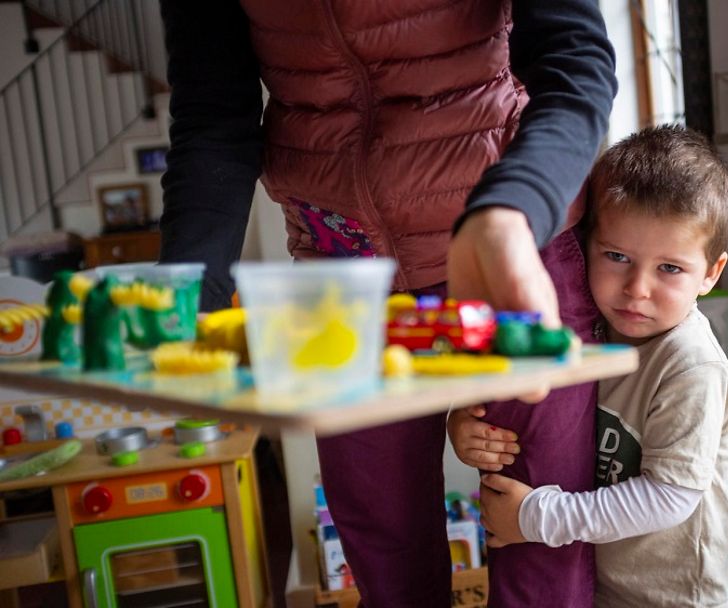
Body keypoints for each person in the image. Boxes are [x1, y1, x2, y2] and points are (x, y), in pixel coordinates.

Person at [158, 1, 617, 606]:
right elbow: (214, 115)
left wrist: (514, 210)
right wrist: (189, 291)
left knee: (540, 532)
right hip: (342, 270)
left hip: (512, 238)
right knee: (384, 547)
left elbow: (574, 60)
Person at [448, 125, 728, 607]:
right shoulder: (589, 333)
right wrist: (466, 427)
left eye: (669, 268)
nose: (637, 288)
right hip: (601, 588)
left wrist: (536, 518)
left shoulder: (690, 365)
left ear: (710, 273)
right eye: (616, 256)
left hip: (674, 599)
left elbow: (670, 497)